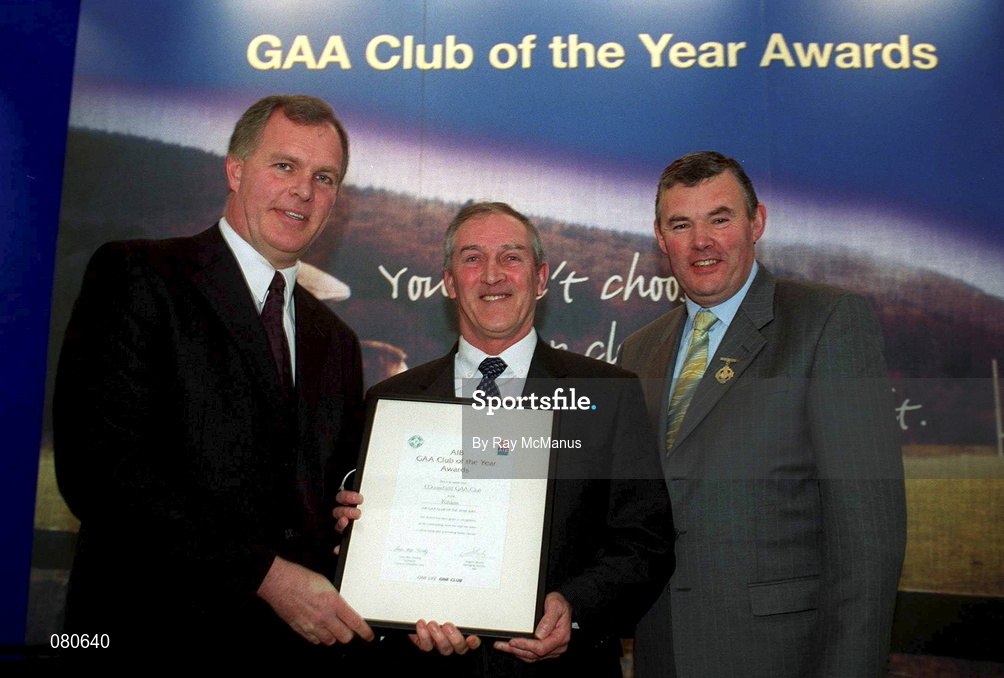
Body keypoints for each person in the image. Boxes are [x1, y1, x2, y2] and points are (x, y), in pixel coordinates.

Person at [53, 95, 373, 663]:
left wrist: (348, 513)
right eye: (284, 166)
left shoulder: (337, 343)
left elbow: (322, 497)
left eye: (324, 177)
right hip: (147, 637)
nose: (304, 189)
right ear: (234, 169)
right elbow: (100, 471)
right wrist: (267, 576)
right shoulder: (139, 276)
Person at [618, 152, 907, 677]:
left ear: (757, 223)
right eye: (681, 224)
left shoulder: (826, 324)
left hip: (782, 655)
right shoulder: (639, 351)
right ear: (661, 239)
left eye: (720, 218)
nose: (701, 241)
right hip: (664, 652)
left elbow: (869, 538)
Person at [357, 201, 675, 676]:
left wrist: (574, 606)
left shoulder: (605, 395)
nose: (491, 275)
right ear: (448, 281)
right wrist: (356, 525)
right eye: (471, 258)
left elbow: (645, 541)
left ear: (541, 278)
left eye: (511, 257)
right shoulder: (392, 401)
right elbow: (363, 537)